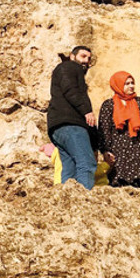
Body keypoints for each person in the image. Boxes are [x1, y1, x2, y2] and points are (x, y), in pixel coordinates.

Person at [98, 72, 140, 201]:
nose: (131, 86)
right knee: (121, 186)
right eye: (127, 83)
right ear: (117, 85)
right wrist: (105, 150)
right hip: (119, 152)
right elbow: (104, 130)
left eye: (132, 83)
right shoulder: (108, 105)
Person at [46, 46, 98, 189]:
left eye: (88, 59)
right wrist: (87, 110)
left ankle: (68, 203)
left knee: (69, 168)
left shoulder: (66, 70)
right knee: (86, 164)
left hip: (58, 127)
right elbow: (70, 89)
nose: (86, 61)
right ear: (72, 56)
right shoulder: (69, 67)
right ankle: (83, 204)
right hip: (71, 125)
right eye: (83, 56)